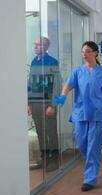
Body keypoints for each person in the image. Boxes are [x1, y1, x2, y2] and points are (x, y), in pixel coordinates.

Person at [54, 41, 102, 192]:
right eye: (83, 51)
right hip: (80, 113)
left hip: (97, 113)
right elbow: (68, 85)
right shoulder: (77, 71)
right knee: (82, 144)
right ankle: (92, 166)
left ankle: (89, 178)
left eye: (88, 51)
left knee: (93, 147)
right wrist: (63, 95)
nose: (85, 54)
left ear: (95, 53)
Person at [28, 36, 60, 172]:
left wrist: (53, 105)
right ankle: (44, 158)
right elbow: (30, 83)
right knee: (40, 131)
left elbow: (57, 85)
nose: (35, 47)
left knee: (50, 132)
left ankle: (54, 161)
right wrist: (28, 103)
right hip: (35, 103)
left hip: (48, 103)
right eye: (34, 44)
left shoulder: (52, 62)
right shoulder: (34, 61)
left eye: (38, 45)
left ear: (46, 47)